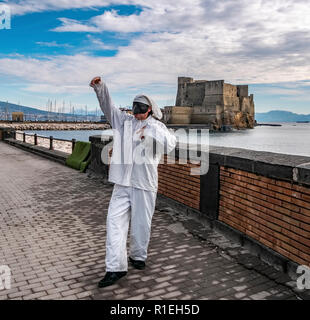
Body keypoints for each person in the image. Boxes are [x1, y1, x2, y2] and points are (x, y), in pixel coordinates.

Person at [90, 76, 177, 288]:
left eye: (140, 108)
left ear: (149, 109)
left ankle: (138, 256)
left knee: (141, 224)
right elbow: (108, 106)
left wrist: (151, 134)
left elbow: (170, 145)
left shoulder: (157, 126)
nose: (136, 111)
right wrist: (100, 87)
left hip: (144, 183)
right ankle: (115, 268)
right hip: (122, 184)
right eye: (134, 107)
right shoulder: (124, 122)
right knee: (114, 223)